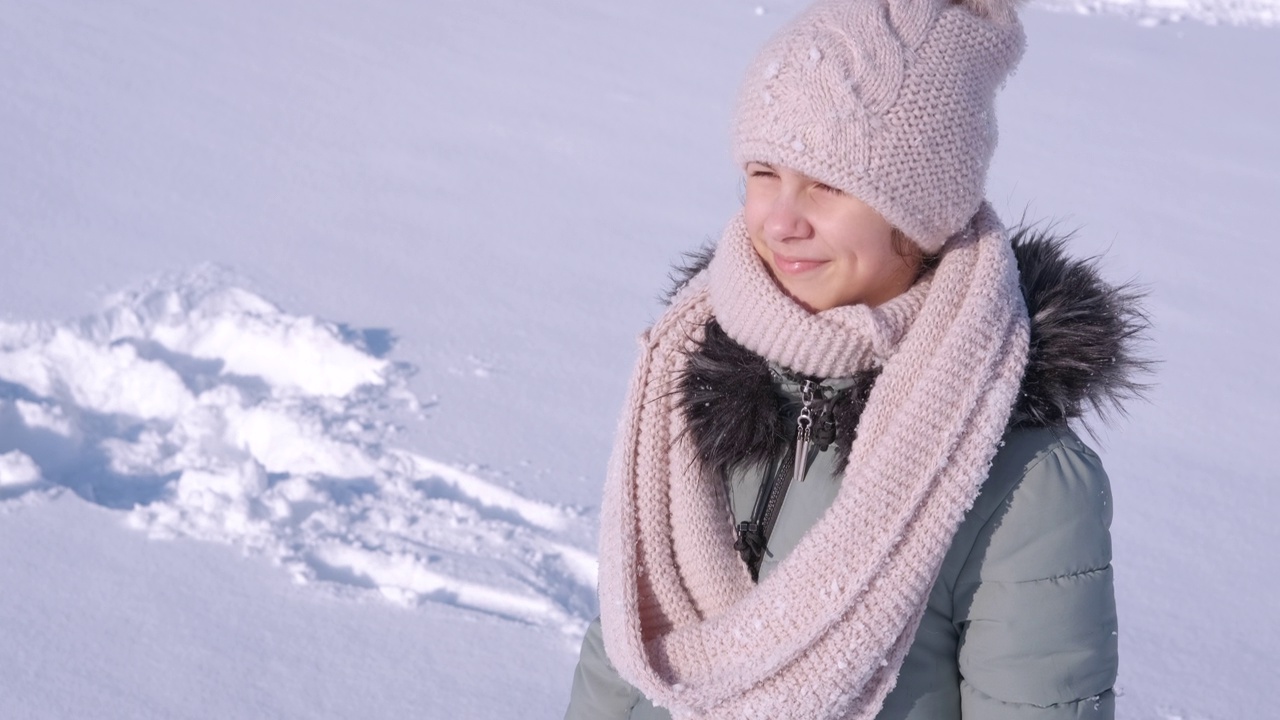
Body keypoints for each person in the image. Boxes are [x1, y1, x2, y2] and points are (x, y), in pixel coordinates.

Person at [565, 0, 1148, 717]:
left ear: (923, 209)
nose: (780, 220)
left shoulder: (1027, 479)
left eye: (829, 183)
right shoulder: (686, 372)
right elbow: (629, 641)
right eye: (763, 171)